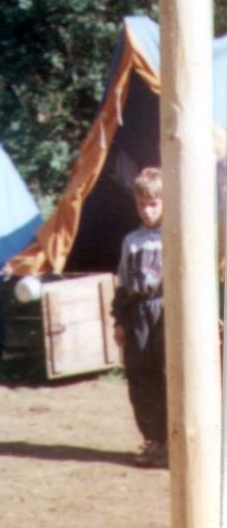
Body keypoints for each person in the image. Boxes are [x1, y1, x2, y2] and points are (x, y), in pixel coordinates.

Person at [111, 167, 167, 468]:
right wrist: (120, 320)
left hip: (166, 310)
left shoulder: (174, 236)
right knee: (141, 376)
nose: (147, 211)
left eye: (153, 204)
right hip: (137, 314)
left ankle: (177, 439)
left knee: (168, 373)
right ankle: (154, 439)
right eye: (141, 205)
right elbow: (123, 283)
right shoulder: (131, 241)